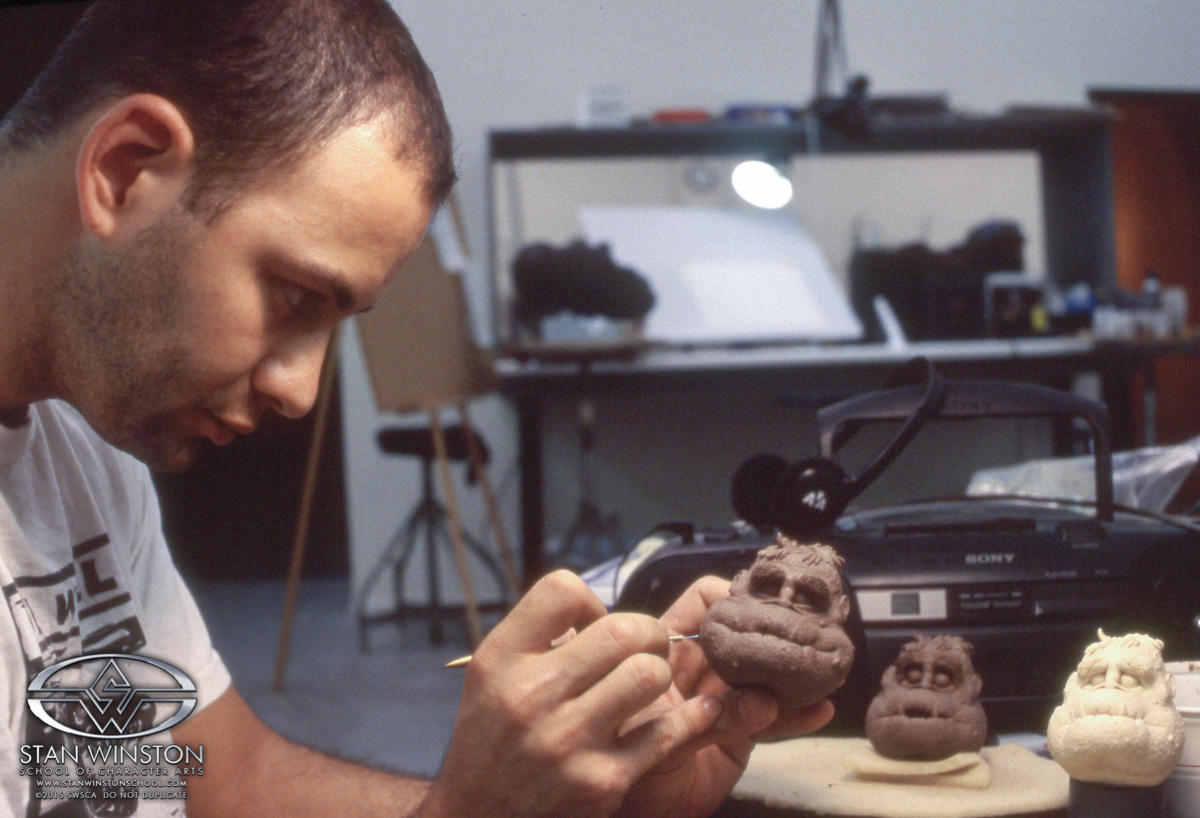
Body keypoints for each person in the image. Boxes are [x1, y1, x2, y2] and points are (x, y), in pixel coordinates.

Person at [0, 2, 834, 816]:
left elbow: (218, 784)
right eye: (293, 295)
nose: (298, 393)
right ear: (125, 169)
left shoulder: (82, 448)